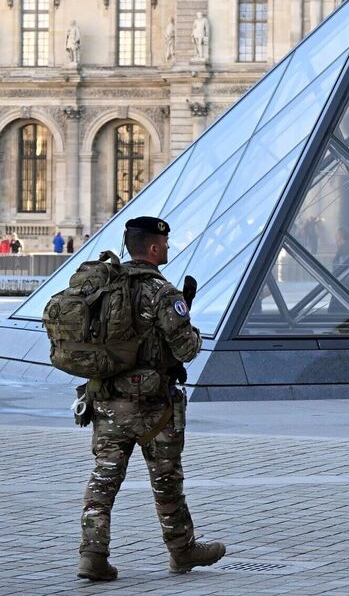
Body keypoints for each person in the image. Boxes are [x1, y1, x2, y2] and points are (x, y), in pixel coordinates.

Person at [77, 216, 225, 581]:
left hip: (108, 399)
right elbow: (186, 349)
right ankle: (182, 550)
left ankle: (92, 555)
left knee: (103, 480)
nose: (169, 249)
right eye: (166, 244)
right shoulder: (163, 293)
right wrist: (193, 329)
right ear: (155, 248)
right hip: (153, 407)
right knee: (166, 479)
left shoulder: (105, 287)